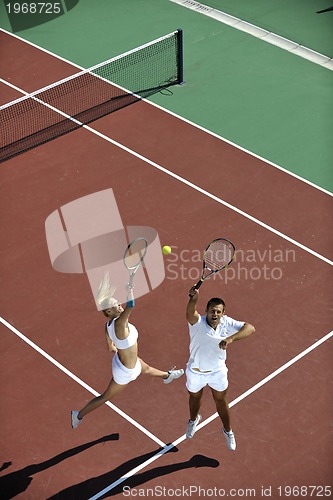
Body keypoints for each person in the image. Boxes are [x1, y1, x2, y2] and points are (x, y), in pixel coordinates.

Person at [71, 275, 184, 429]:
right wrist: (129, 291)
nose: (120, 305)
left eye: (118, 303)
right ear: (109, 310)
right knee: (105, 397)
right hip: (125, 371)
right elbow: (131, 305)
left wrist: (124, 350)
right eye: (116, 305)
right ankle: (78, 415)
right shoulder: (119, 323)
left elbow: (110, 347)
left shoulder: (108, 325)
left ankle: (167, 376)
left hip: (127, 361)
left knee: (147, 369)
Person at [185, 286, 255, 450]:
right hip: (196, 372)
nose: (214, 314)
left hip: (217, 372)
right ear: (206, 311)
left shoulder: (227, 322)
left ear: (223, 313)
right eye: (211, 311)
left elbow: (250, 328)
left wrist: (230, 339)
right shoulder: (197, 323)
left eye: (218, 312)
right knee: (194, 397)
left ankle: (228, 431)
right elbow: (190, 312)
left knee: (221, 400)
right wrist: (194, 298)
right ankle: (193, 420)